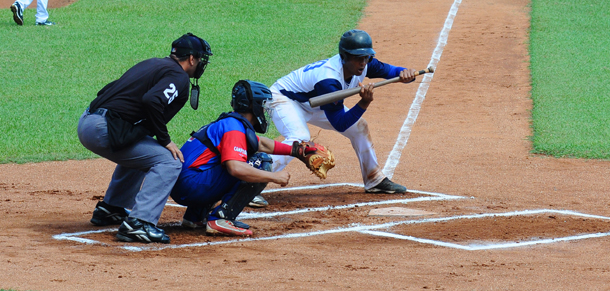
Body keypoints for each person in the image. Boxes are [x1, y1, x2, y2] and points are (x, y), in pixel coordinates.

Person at [77, 33, 212, 244]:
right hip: (104, 129)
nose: (201, 64)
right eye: (201, 59)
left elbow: (108, 89)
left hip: (89, 122)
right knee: (168, 161)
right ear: (192, 59)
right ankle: (139, 223)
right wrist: (165, 139)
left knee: (144, 148)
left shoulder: (153, 63)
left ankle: (111, 208)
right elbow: (153, 101)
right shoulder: (179, 76)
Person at [269, 29, 416, 194]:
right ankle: (249, 182)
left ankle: (374, 179)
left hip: (316, 103)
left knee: (359, 127)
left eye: (366, 57)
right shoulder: (329, 80)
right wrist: (364, 103)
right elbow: (340, 123)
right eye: (357, 58)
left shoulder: (366, 64)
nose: (362, 62)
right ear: (344, 56)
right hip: (285, 100)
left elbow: (391, 72)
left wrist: (406, 74)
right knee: (299, 138)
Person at [171, 80, 295, 237]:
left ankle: (195, 216)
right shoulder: (234, 128)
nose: (264, 111)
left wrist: (296, 150)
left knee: (228, 159)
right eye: (263, 105)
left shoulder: (231, 123)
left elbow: (261, 143)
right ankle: (221, 218)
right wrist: (274, 176)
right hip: (192, 186)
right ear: (254, 106)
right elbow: (235, 168)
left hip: (183, 186)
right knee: (259, 162)